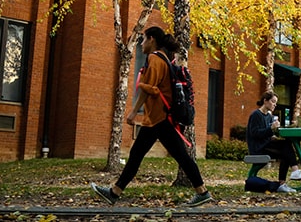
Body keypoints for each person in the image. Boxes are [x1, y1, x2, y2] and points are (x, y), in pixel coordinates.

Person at [90, 26, 213, 207]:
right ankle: (114, 192)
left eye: (143, 39)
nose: (141, 43)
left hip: (159, 119)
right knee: (142, 155)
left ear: (152, 39)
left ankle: (202, 192)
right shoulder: (163, 59)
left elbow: (148, 88)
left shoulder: (155, 58)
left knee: (175, 156)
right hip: (158, 119)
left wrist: (133, 112)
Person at [246, 91, 301, 192]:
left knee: (286, 150)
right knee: (286, 147)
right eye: (273, 101)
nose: (275, 104)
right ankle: (294, 171)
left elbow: (266, 133)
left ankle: (282, 183)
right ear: (265, 101)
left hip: (266, 144)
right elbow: (255, 133)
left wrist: (273, 134)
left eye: (276, 102)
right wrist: (271, 129)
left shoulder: (269, 116)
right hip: (258, 148)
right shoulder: (256, 114)